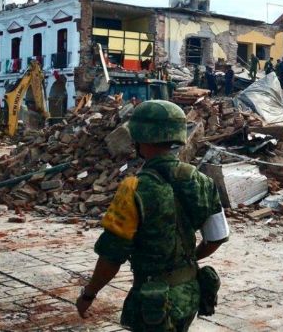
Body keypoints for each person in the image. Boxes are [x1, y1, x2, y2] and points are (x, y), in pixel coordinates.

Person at [76, 100, 229, 331]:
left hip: (152, 303)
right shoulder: (202, 181)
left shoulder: (133, 188)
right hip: (189, 294)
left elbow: (111, 256)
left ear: (140, 139)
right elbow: (217, 237)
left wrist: (88, 294)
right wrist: (188, 261)